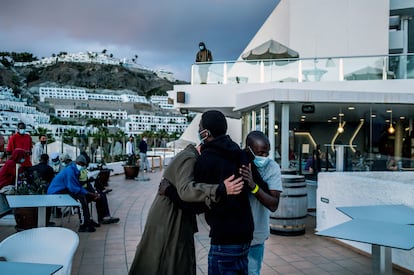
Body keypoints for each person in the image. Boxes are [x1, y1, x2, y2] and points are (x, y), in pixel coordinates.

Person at [128, 143, 244, 275]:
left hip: (175, 215)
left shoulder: (192, 157)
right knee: (165, 259)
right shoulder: (189, 158)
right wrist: (220, 189)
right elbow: (186, 191)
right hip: (170, 217)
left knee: (172, 258)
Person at [194, 110, 254, 275]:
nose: (199, 131)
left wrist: (169, 191)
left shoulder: (205, 160)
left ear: (206, 133)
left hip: (224, 238)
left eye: (200, 127)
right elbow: (251, 187)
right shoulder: (240, 154)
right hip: (246, 234)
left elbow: (198, 201)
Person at [239, 131, 283, 275]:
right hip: (234, 235)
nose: (264, 157)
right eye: (260, 153)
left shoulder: (272, 167)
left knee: (252, 272)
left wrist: (253, 185)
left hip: (256, 236)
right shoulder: (237, 161)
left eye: (267, 153)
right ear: (248, 149)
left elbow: (273, 204)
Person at [47, 155, 101, 232]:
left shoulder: (75, 170)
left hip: (63, 190)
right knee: (81, 199)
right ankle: (83, 225)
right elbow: (73, 187)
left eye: (83, 165)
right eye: (81, 164)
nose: (82, 166)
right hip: (56, 193)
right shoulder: (70, 171)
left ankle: (87, 220)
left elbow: (77, 186)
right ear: (76, 162)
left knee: (84, 197)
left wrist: (91, 194)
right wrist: (90, 193)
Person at [26, 153, 55, 225]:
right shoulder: (49, 169)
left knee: (35, 206)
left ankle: (35, 221)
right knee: (47, 207)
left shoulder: (32, 168)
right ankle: (46, 221)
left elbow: (28, 180)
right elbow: (52, 181)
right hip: (46, 191)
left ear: (40, 159)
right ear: (47, 160)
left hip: (34, 191)